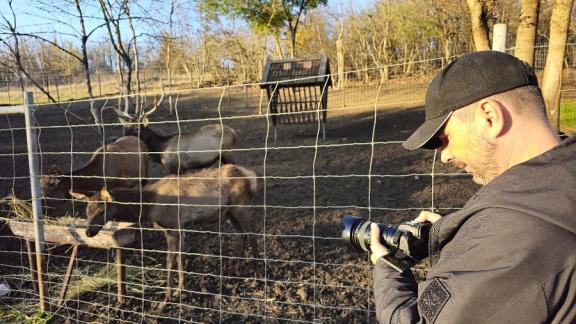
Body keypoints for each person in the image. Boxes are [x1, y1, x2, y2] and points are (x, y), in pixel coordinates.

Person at [370, 51, 576, 323]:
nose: (444, 156)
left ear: (490, 116)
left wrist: (387, 268)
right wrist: (465, 237)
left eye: (444, 138)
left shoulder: (508, 239)